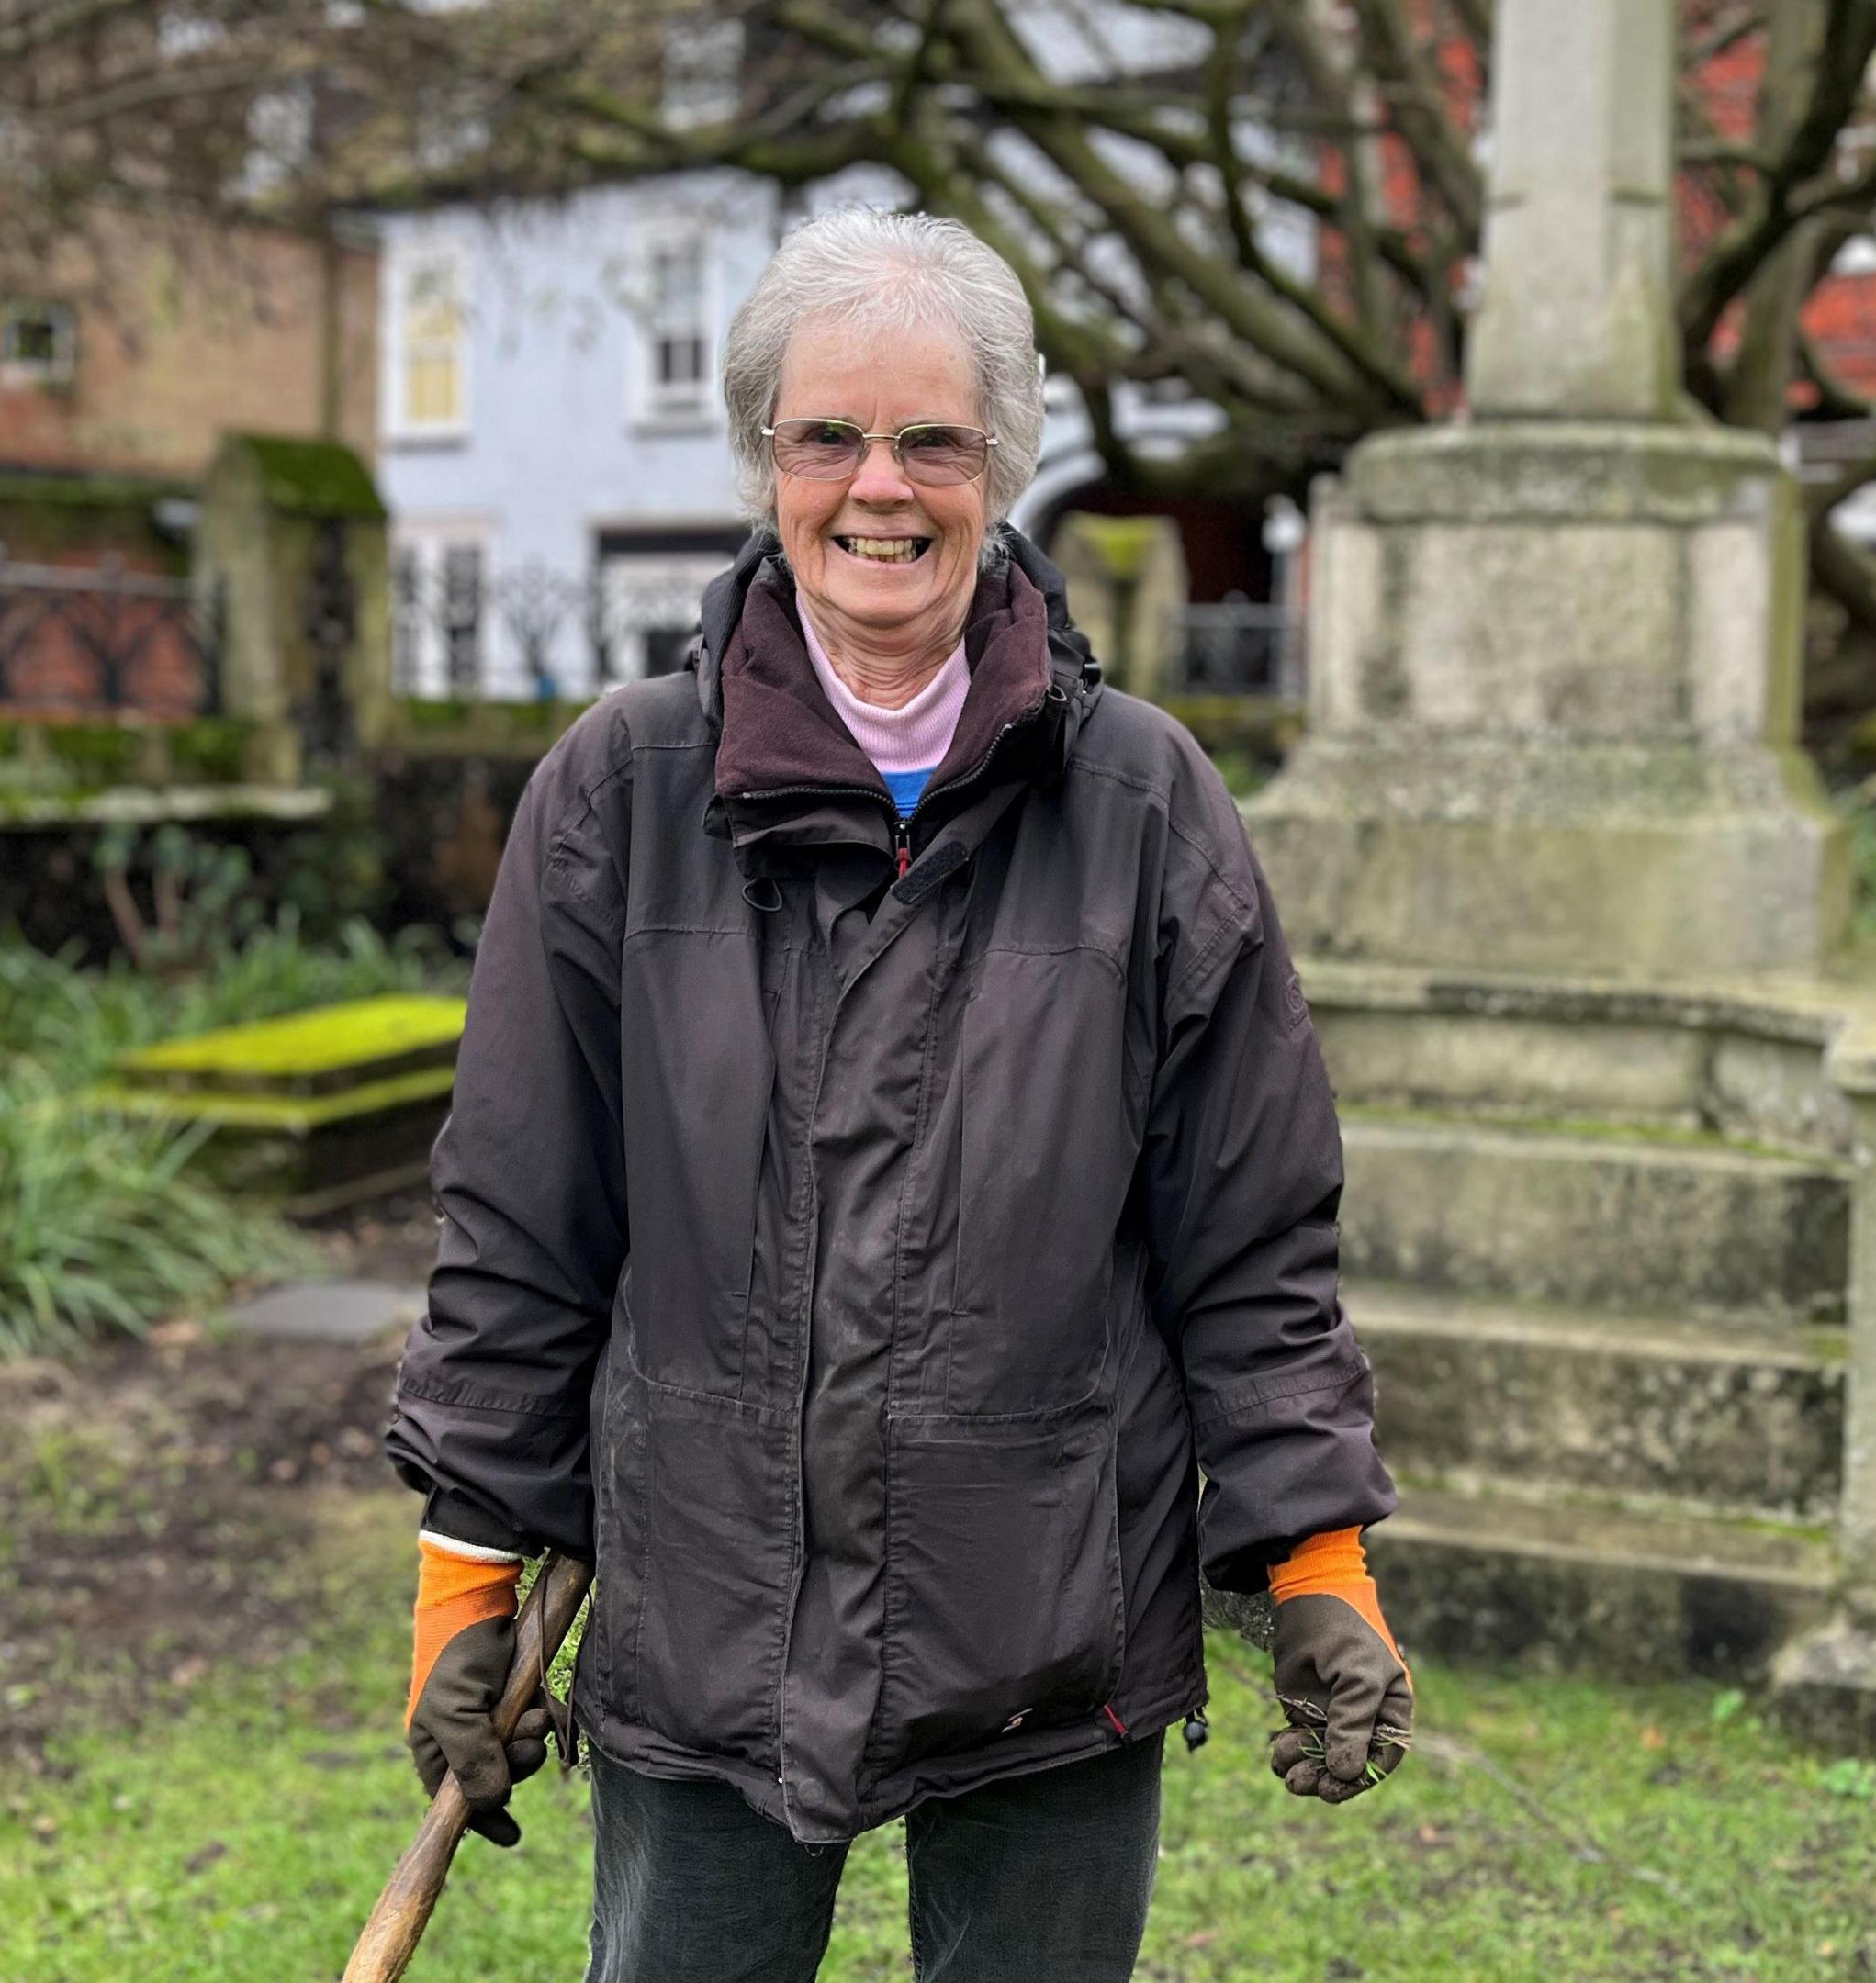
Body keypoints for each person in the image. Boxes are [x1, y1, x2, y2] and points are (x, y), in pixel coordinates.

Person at [383, 207, 1410, 1983]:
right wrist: (470, 1567)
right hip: (703, 1600)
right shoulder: (622, 792)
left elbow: (1247, 1236)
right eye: (828, 436)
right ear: (763, 463)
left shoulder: (1141, 802)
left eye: (935, 438)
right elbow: (524, 1226)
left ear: (1001, 463)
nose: (882, 485)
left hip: (1051, 1610)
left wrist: (1314, 1556)